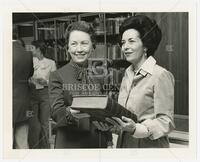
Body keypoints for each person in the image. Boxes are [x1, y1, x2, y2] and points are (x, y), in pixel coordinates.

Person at [106, 15, 175, 148]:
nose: (125, 47)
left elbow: (166, 122)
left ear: (145, 45)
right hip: (124, 145)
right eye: (123, 42)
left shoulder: (160, 75)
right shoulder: (127, 74)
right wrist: (110, 123)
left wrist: (136, 129)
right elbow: (124, 115)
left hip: (149, 147)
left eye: (131, 41)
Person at [48, 21, 113, 148]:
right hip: (70, 143)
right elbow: (56, 113)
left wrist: (109, 140)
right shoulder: (56, 75)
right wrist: (73, 110)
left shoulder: (102, 75)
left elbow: (107, 111)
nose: (79, 49)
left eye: (84, 43)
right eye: (74, 44)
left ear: (92, 46)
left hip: (98, 141)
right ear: (68, 47)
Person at [28, 40, 56, 148]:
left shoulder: (51, 63)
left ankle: (45, 148)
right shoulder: (29, 61)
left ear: (38, 49)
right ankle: (34, 147)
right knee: (33, 121)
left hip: (45, 94)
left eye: (32, 48)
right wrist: (29, 81)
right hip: (32, 94)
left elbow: (54, 82)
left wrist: (46, 82)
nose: (31, 50)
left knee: (45, 123)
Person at [13, 36, 34, 149]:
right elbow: (30, 74)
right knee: (22, 142)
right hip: (24, 102)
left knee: (5, 144)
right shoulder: (27, 54)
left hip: (6, 103)